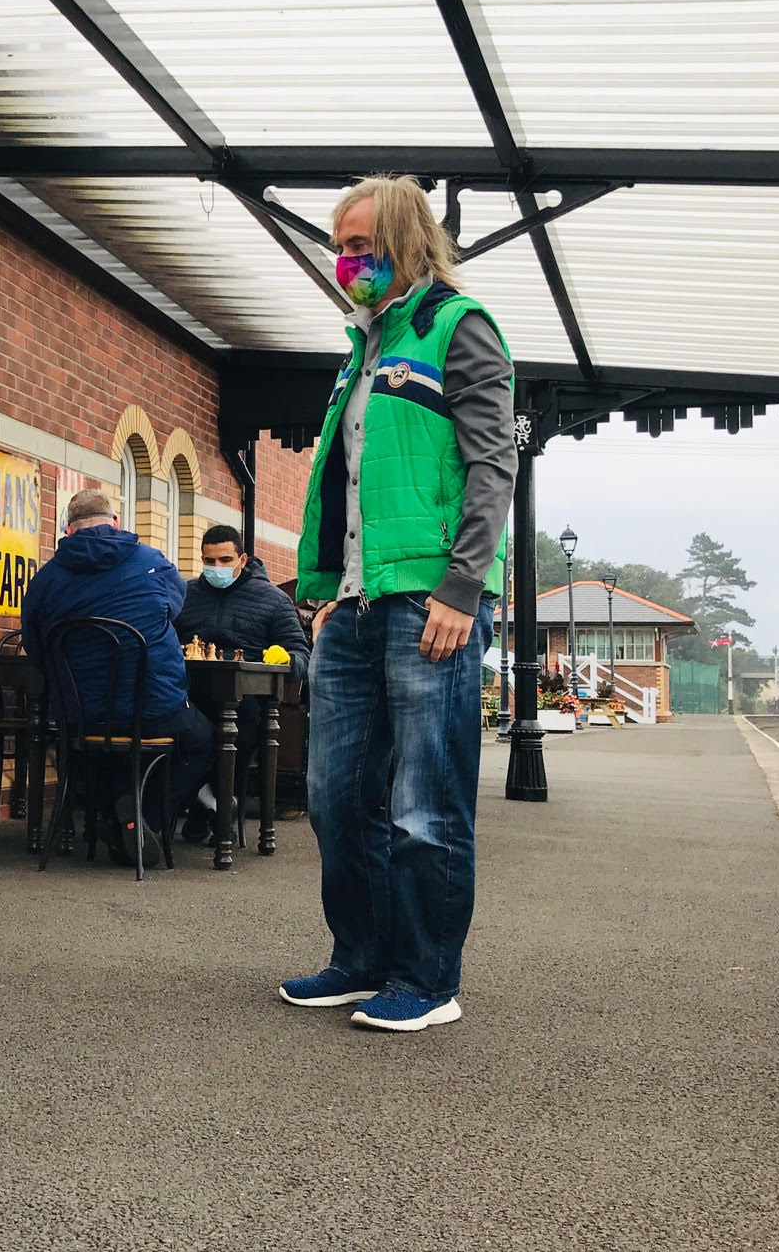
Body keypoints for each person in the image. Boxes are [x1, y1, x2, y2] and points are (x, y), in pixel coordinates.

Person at [283, 174, 516, 1033]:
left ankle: (427, 977)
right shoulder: (361, 349)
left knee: (426, 803)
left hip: (429, 603)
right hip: (352, 607)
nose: (348, 263)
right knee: (336, 797)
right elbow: (343, 486)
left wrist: (461, 586)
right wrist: (323, 594)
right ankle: (362, 959)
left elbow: (492, 464)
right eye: (341, 248)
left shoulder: (459, 326)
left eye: (363, 247)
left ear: (408, 241)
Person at [20, 489, 211, 868]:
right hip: (153, 708)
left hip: (80, 717)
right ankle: (144, 820)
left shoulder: (46, 579)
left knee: (100, 752)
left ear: (68, 530)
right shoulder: (153, 562)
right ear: (116, 523)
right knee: (202, 741)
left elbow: (36, 648)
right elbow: (173, 610)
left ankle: (118, 818)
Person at [173, 524, 309, 842]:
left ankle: (209, 806)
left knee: (241, 731)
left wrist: (285, 659)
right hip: (191, 693)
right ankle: (212, 807)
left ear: (242, 559)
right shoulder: (185, 595)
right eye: (209, 561)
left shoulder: (273, 600)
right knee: (183, 729)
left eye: (225, 560)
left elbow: (301, 656)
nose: (216, 568)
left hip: (246, 698)